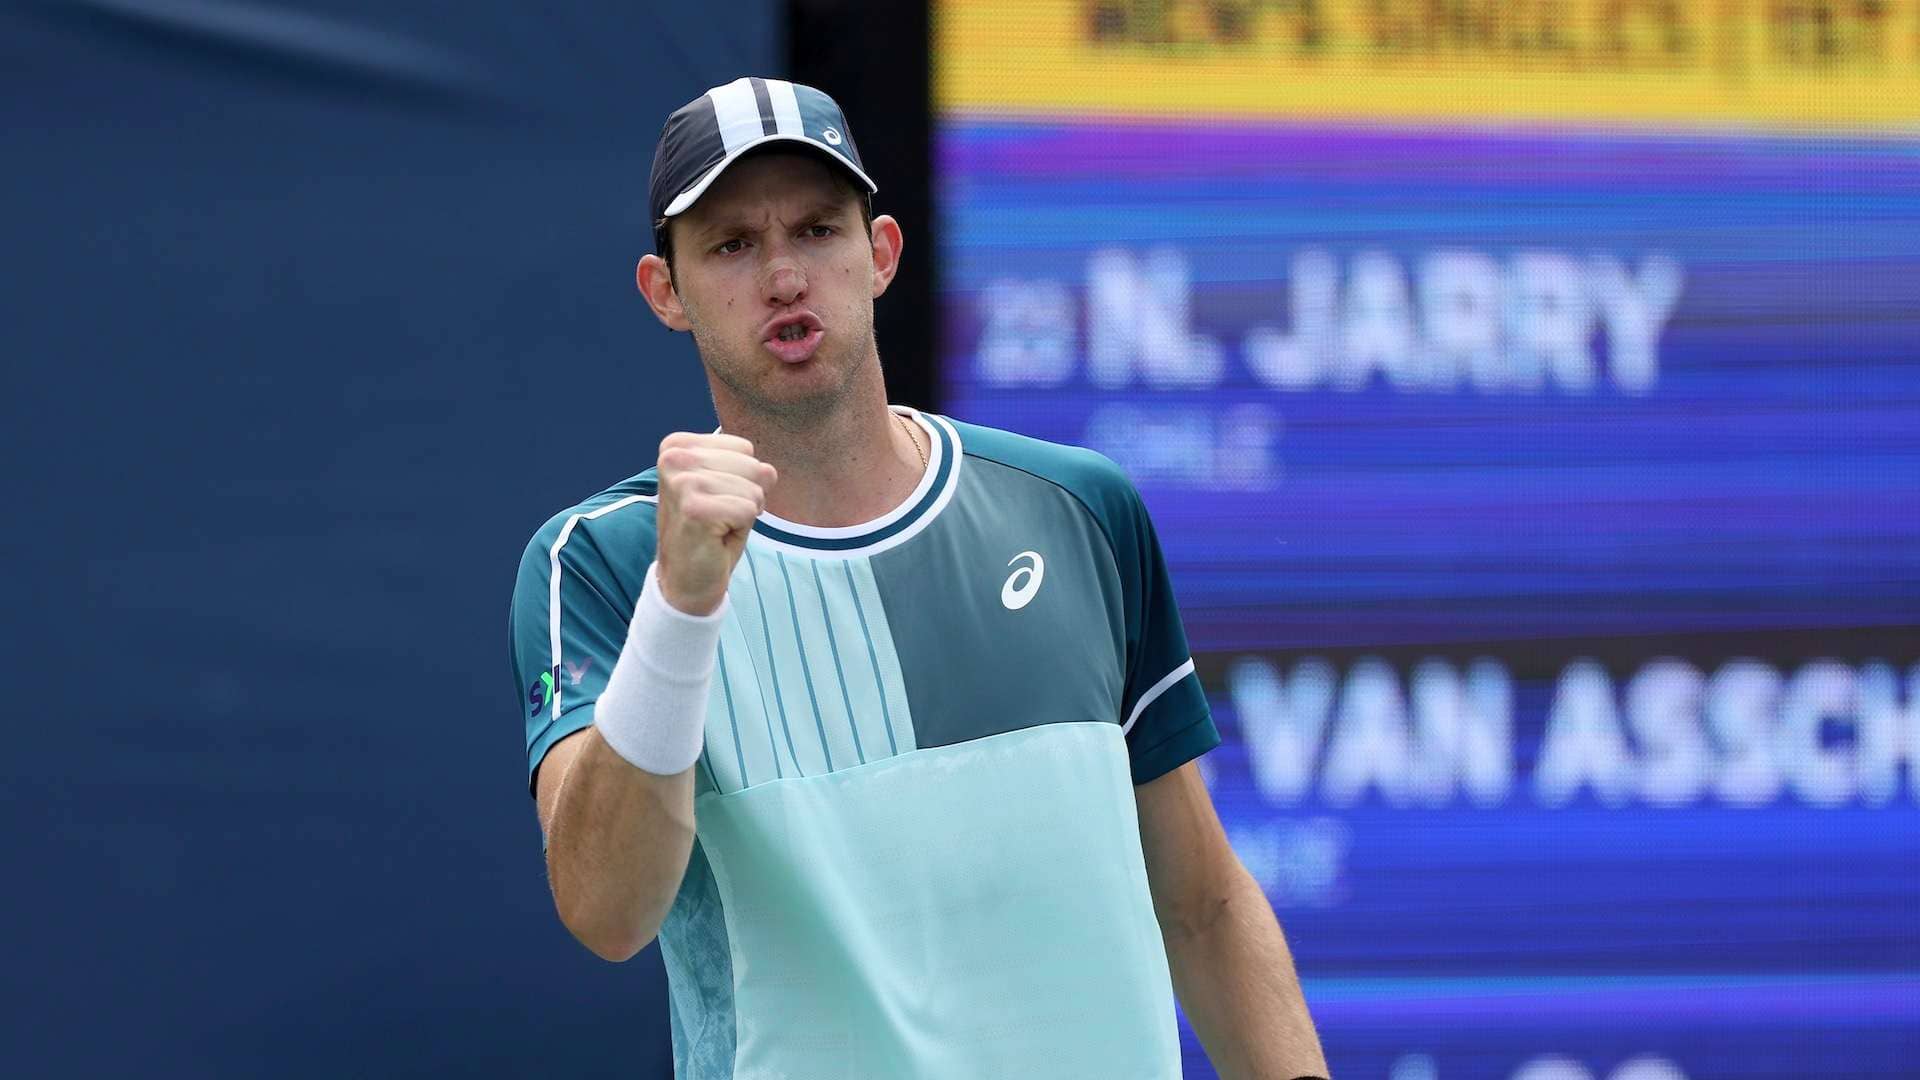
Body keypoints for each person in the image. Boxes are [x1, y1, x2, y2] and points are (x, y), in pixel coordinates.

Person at [509, 76, 1329, 1080]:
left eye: (817, 231)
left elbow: (1202, 908)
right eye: (732, 245)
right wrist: (681, 609)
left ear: (881, 254)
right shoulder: (603, 560)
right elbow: (605, 912)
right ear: (665, 291)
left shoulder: (1078, 509)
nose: (783, 277)